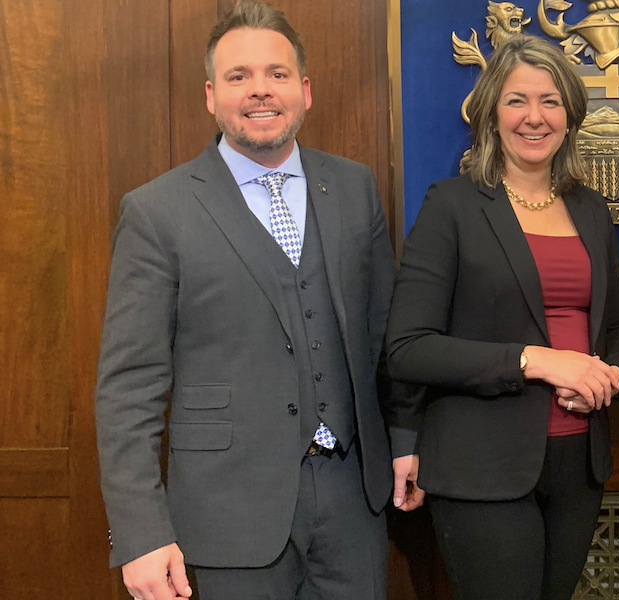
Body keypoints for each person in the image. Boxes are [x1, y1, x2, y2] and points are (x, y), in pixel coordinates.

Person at [93, 2, 411, 599]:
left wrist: (407, 442)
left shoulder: (353, 187)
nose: (260, 91)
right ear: (211, 95)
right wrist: (140, 532)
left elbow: (385, 340)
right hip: (226, 512)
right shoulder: (157, 212)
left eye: (278, 74)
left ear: (305, 90)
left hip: (353, 506)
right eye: (239, 77)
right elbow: (128, 387)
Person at [385, 35, 619, 600]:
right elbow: (409, 347)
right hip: (482, 465)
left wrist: (611, 378)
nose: (534, 116)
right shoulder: (451, 204)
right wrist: (538, 361)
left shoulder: (591, 210)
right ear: (491, 114)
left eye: (550, 101)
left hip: (579, 464)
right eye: (517, 100)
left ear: (570, 116)